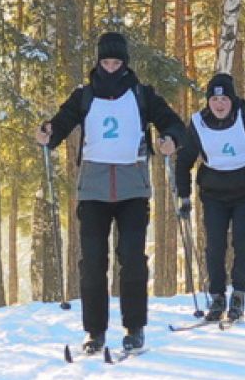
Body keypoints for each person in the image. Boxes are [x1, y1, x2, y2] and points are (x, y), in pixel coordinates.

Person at [34, 31, 187, 356]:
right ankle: (95, 333)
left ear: (125, 63)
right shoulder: (85, 96)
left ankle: (135, 329)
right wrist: (47, 133)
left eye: (117, 62)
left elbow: (173, 123)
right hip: (93, 189)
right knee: (92, 263)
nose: (112, 67)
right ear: (98, 62)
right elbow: (59, 125)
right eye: (106, 61)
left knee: (132, 259)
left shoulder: (142, 95)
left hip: (133, 188)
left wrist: (170, 139)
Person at [173, 72, 245, 323]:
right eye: (214, 100)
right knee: (214, 245)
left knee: (241, 242)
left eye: (224, 99)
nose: (220, 104)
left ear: (232, 100)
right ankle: (217, 296)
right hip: (213, 194)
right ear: (208, 102)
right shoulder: (198, 124)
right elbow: (183, 161)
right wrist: (183, 197)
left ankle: (238, 294)